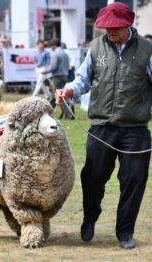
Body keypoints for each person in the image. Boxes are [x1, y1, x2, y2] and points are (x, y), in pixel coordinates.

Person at [56, 2, 152, 249]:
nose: (110, 32)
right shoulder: (96, 46)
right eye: (106, 28)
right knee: (93, 178)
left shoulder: (147, 50)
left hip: (136, 129)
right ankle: (90, 218)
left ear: (127, 25)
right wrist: (69, 90)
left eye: (115, 28)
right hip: (102, 127)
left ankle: (125, 232)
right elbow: (83, 79)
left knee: (134, 180)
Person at [42, 38, 73, 119]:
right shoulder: (64, 53)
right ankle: (47, 113)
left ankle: (69, 115)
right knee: (55, 96)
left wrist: (44, 71)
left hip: (58, 77)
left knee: (59, 96)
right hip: (65, 76)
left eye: (50, 46)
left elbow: (53, 67)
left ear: (54, 45)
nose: (50, 48)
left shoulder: (55, 54)